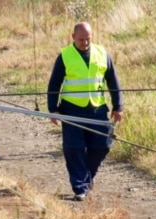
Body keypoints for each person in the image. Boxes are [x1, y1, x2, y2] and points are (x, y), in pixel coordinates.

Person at [47, 22, 123, 201]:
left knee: (102, 146)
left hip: (97, 109)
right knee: (74, 148)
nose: (85, 43)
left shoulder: (102, 53)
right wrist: (53, 109)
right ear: (73, 37)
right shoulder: (65, 56)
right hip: (71, 108)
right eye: (81, 39)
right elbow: (54, 84)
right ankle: (80, 187)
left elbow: (113, 81)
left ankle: (86, 178)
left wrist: (118, 106)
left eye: (88, 39)